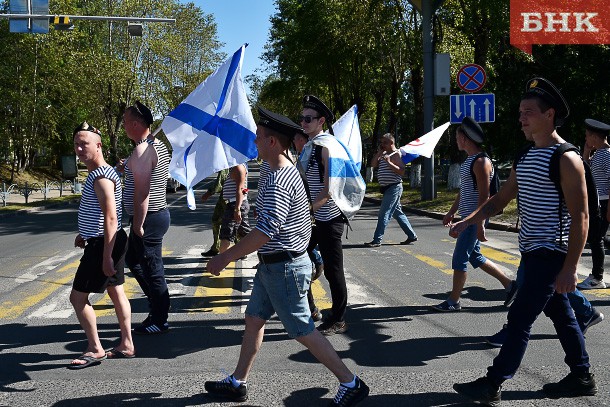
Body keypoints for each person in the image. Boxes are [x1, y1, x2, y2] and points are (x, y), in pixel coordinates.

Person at [204, 107, 369, 407]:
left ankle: (350, 382)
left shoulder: (280, 177)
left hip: (285, 268)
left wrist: (224, 258)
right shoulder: (271, 169)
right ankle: (238, 382)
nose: (254, 142)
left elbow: (266, 232)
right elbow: (269, 221)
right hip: (272, 266)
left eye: (258, 137)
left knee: (303, 330)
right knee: (254, 319)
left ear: (272, 142)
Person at [451, 78, 597, 404]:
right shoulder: (526, 156)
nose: (521, 118)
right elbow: (499, 200)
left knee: (519, 319)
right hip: (530, 252)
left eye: (528, 112)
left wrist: (570, 267)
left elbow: (581, 217)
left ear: (550, 114)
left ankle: (493, 382)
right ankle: (581, 375)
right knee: (562, 315)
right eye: (520, 113)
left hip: (551, 253)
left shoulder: (566, 158)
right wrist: (468, 220)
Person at [432, 117, 516, 312]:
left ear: (465, 138)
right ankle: (511, 286)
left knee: (460, 257)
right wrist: (452, 212)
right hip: (467, 217)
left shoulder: (481, 162)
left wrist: (479, 224)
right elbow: (465, 191)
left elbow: (485, 196)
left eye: (457, 136)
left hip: (473, 219)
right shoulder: (468, 161)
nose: (455, 140)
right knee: (475, 256)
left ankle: (454, 301)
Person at [68, 122, 133, 369]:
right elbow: (99, 214)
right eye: (76, 144)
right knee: (116, 293)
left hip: (104, 245)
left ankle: (95, 349)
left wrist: (106, 255)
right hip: (102, 240)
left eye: (84, 144)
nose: (79, 148)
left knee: (77, 298)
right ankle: (127, 344)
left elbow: (111, 217)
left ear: (98, 145)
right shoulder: (100, 172)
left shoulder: (102, 176)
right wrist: (83, 233)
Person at [299, 95, 349, 335]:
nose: (303, 122)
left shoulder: (328, 147)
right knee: (294, 258)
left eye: (308, 119)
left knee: (333, 270)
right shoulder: (310, 146)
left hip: (329, 218)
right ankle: (308, 309)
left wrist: (306, 210)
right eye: (302, 118)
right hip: (311, 218)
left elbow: (330, 190)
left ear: (321, 121)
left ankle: (338, 318)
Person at [122, 101, 172, 335]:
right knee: (133, 259)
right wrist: (129, 165)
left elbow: (143, 192)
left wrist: (138, 224)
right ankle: (155, 305)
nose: (123, 127)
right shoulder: (154, 146)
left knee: (152, 267)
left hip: (149, 217)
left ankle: (160, 318)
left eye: (124, 122)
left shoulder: (144, 149)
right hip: (154, 215)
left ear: (134, 124)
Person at [364, 133, 417, 247]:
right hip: (387, 188)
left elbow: (401, 171)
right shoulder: (383, 153)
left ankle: (377, 240)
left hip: (394, 187)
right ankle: (412, 235)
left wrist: (389, 162)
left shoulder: (395, 154)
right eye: (381, 142)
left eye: (385, 143)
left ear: (392, 143)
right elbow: (373, 164)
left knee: (384, 213)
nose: (382, 145)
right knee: (398, 213)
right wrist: (379, 153)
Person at [579, 118, 610, 289]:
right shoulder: (598, 153)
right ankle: (597, 276)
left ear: (595, 137)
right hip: (600, 204)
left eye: (587, 136)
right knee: (598, 238)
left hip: (605, 204)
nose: (586, 139)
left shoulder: (607, 155)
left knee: (596, 239)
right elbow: (585, 172)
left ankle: (597, 278)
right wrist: (586, 153)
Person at [219, 163, 251, 254]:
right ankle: (264, 255)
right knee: (246, 234)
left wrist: (237, 209)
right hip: (236, 204)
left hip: (235, 205)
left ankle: (221, 262)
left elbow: (240, 190)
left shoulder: (238, 167)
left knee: (227, 234)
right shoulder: (237, 166)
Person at [201, 169, 229, 257]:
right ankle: (216, 247)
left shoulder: (227, 162)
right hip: (226, 197)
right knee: (217, 221)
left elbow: (219, 183)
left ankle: (241, 250)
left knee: (232, 223)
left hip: (228, 198)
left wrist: (208, 193)